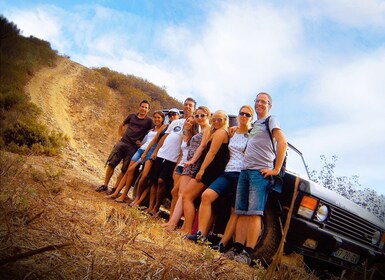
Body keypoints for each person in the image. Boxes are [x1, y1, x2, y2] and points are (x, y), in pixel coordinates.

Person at [225, 92, 287, 265]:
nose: (259, 104)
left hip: (259, 173)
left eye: (263, 102)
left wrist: (275, 169)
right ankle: (237, 248)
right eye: (257, 101)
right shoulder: (254, 125)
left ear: (269, 106)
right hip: (244, 171)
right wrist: (234, 129)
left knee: (254, 213)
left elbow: (282, 143)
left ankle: (248, 252)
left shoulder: (271, 120)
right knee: (241, 212)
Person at [186, 105, 253, 245]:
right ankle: (200, 235)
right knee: (206, 196)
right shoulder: (231, 133)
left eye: (248, 115)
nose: (244, 116)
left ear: (251, 118)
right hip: (227, 172)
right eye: (242, 113)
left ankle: (222, 244)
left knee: (235, 210)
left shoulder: (252, 135)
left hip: (241, 175)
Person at [137, 98, 197, 214]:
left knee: (161, 181)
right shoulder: (175, 122)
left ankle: (156, 207)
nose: (188, 107)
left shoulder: (195, 125)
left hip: (174, 159)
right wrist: (156, 151)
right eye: (186, 104)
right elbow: (164, 137)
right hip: (161, 154)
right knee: (153, 181)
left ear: (194, 108)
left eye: (190, 105)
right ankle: (151, 208)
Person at [181, 110, 230, 234]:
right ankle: (194, 231)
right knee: (199, 201)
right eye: (214, 119)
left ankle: (187, 230)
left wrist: (201, 170)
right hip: (213, 170)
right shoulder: (217, 132)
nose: (216, 122)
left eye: (220, 119)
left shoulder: (220, 133)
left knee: (187, 196)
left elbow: (212, 153)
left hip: (210, 170)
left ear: (225, 121)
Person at [163, 106, 211, 230]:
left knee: (184, 195)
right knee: (181, 194)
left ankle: (179, 225)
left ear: (208, 116)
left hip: (194, 164)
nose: (199, 118)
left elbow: (203, 147)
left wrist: (192, 161)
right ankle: (173, 223)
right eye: (197, 116)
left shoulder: (208, 129)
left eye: (202, 115)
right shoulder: (202, 130)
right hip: (189, 164)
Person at [105, 110, 168, 202]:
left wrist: (148, 152)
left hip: (149, 152)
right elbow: (147, 138)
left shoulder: (164, 128)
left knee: (138, 174)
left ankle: (130, 197)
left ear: (163, 119)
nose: (156, 119)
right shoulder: (152, 128)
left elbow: (158, 141)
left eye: (159, 117)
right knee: (129, 171)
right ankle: (117, 193)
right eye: (155, 117)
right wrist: (140, 143)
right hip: (141, 149)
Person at [95, 100, 154, 193]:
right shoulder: (131, 116)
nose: (143, 109)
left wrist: (143, 144)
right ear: (139, 107)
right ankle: (105, 185)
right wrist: (119, 136)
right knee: (111, 163)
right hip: (122, 142)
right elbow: (121, 125)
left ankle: (114, 189)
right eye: (142, 106)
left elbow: (154, 134)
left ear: (148, 110)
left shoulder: (149, 121)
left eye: (146, 108)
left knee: (124, 169)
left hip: (133, 147)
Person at [129, 109, 181, 207]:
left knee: (153, 180)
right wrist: (146, 152)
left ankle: (140, 202)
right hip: (154, 153)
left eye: (174, 115)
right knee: (145, 177)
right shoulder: (165, 126)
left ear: (179, 116)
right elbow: (155, 139)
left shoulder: (180, 128)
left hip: (167, 157)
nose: (172, 117)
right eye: (170, 115)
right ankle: (137, 199)